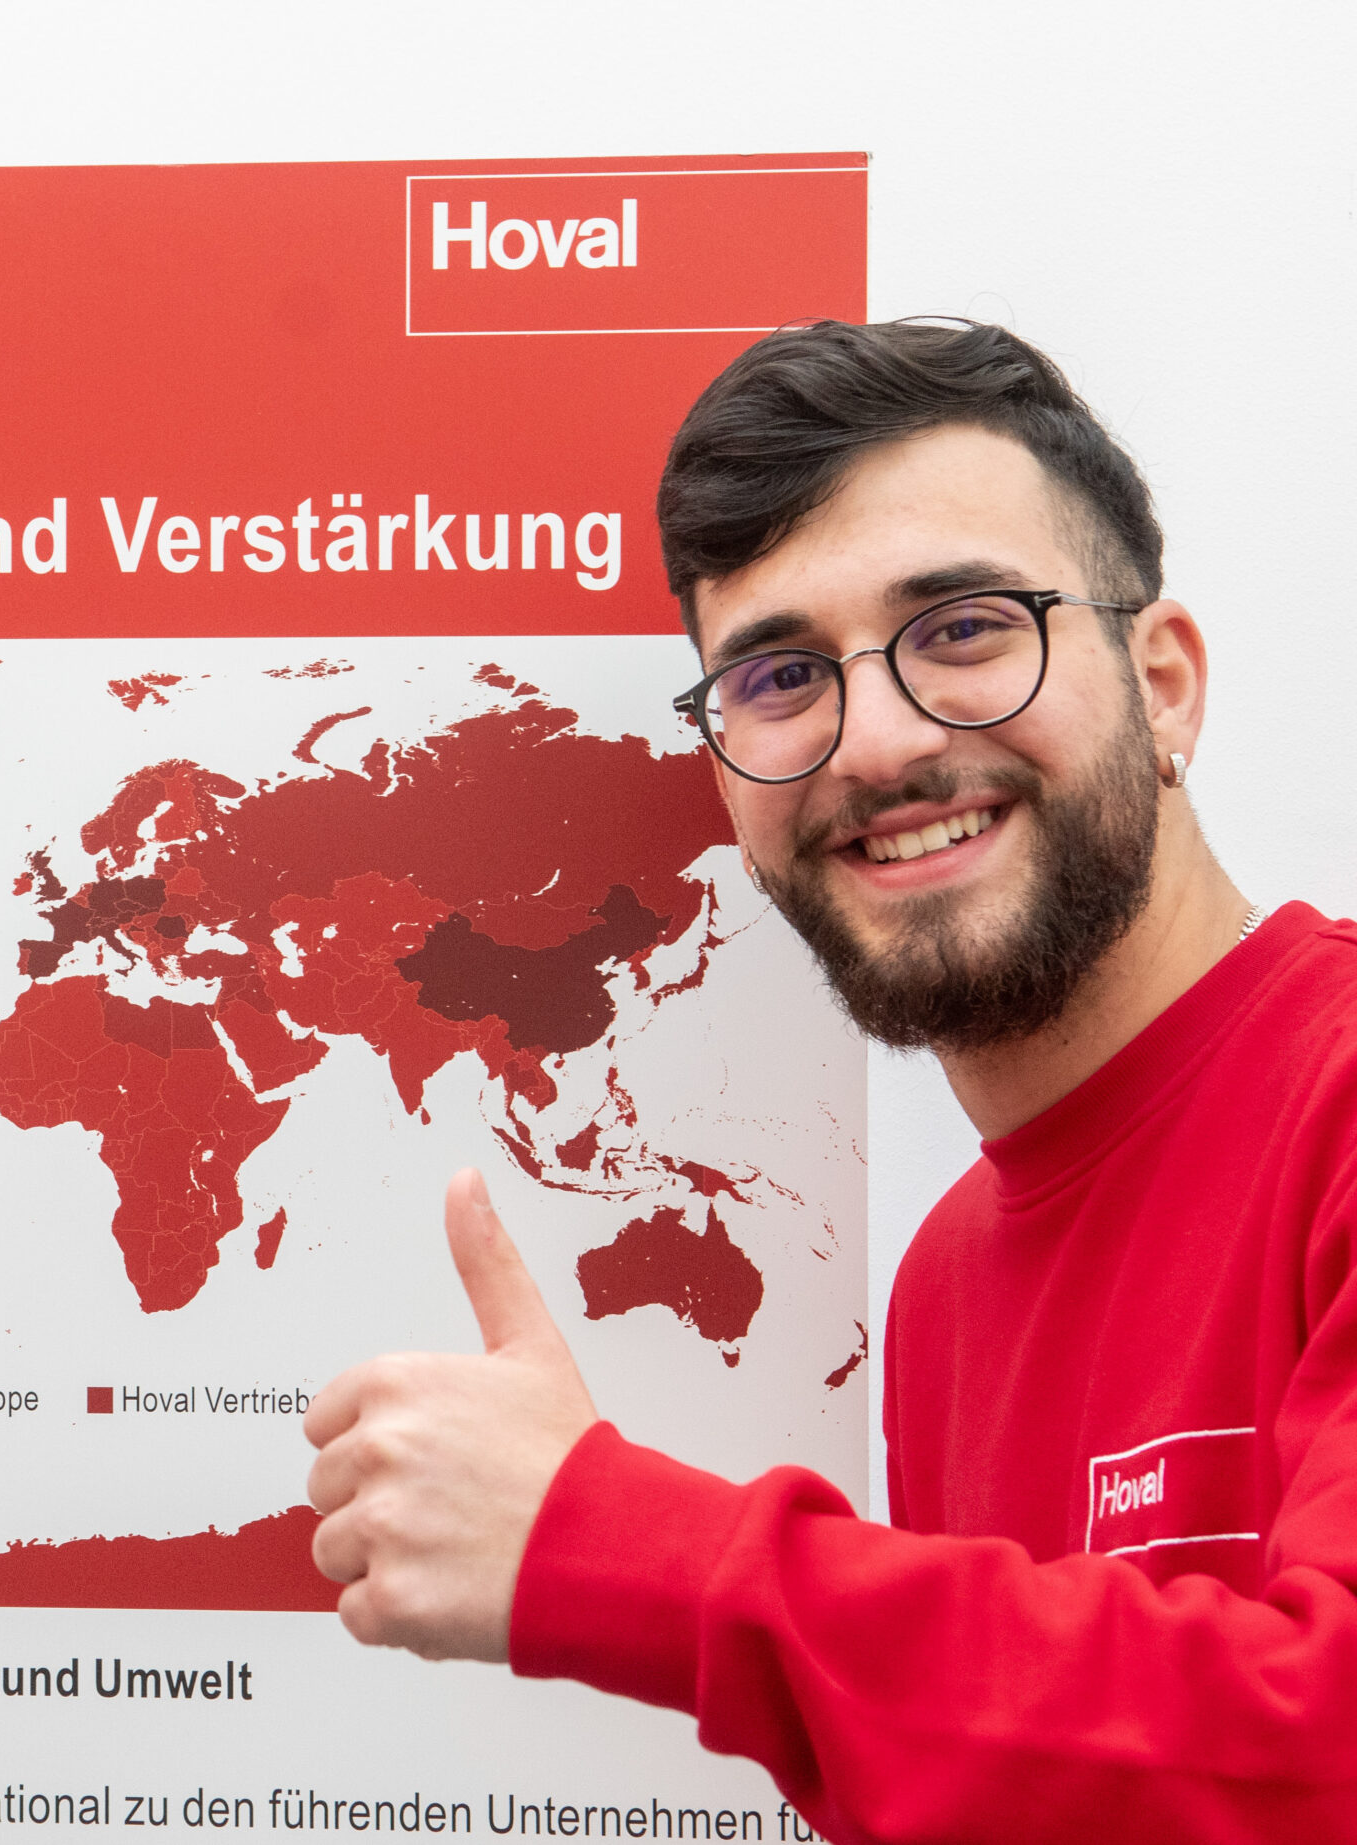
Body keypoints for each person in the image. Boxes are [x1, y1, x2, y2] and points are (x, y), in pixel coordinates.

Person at [304, 319, 1357, 1840]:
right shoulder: (942, 1293)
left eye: (965, 629)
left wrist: (615, 1546)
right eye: (785, 674)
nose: (876, 742)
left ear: (1165, 683)